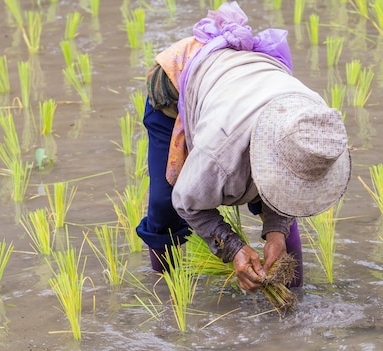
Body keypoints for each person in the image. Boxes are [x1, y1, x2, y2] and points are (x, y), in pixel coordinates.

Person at [136, 1, 350, 293]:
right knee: (164, 203)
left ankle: (294, 300)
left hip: (245, 85)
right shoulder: (221, 150)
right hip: (179, 80)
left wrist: (276, 234)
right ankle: (164, 292)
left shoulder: (315, 124)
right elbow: (187, 200)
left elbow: (292, 185)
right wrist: (233, 247)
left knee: (286, 208)